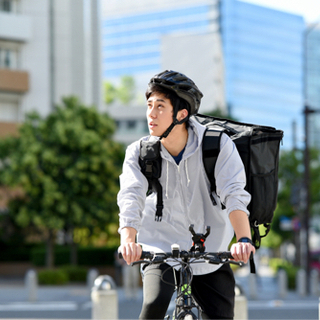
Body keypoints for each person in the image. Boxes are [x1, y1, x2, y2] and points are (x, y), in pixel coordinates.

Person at [117, 70, 255, 320]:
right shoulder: (139, 152)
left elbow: (234, 194)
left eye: (160, 106)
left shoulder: (217, 145)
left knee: (222, 316)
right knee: (153, 306)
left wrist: (243, 239)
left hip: (211, 249)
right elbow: (130, 196)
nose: (151, 113)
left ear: (181, 114)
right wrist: (129, 240)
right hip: (159, 247)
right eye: (149, 105)